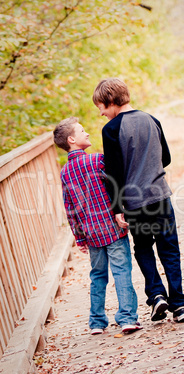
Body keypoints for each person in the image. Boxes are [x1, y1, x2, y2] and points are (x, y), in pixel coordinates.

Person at [93, 78, 184, 323]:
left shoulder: (112, 129)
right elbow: (165, 158)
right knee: (169, 250)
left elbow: (113, 174)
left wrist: (117, 209)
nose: (102, 113)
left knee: (144, 248)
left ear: (112, 101)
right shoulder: (152, 120)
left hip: (135, 203)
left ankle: (157, 295)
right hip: (160, 197)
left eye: (102, 107)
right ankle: (180, 306)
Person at [53, 116, 142, 335]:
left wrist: (80, 237)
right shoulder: (97, 161)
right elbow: (116, 186)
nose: (88, 133)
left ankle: (96, 322)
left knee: (97, 276)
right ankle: (127, 317)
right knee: (121, 271)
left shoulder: (65, 173)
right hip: (112, 229)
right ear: (72, 139)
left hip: (91, 234)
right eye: (82, 131)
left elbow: (70, 208)